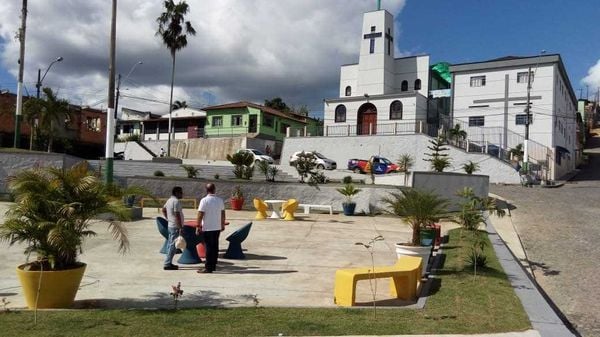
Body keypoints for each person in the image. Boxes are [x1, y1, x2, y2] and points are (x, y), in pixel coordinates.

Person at [196, 183, 225, 273]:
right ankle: (213, 265)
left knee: (208, 247)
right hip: (216, 227)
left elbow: (200, 214)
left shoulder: (204, 201)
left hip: (207, 227)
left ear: (206, 190)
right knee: (215, 247)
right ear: (214, 189)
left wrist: (198, 225)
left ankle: (208, 267)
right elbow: (223, 213)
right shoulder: (220, 200)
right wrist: (222, 224)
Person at [162, 186, 184, 270]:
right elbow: (177, 214)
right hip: (175, 226)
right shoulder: (176, 201)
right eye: (181, 192)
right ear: (177, 193)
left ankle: (168, 262)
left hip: (171, 225)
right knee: (172, 246)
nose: (182, 194)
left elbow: (163, 209)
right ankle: (167, 264)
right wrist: (180, 227)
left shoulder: (169, 200)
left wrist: (168, 218)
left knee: (170, 244)